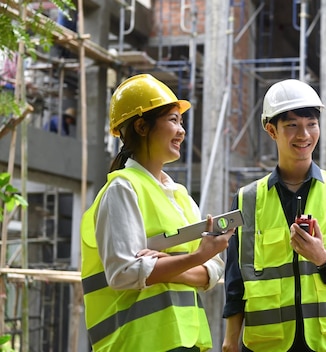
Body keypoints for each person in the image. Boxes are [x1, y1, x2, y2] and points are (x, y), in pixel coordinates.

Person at [80, 73, 232, 351]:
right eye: (173, 120)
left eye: (181, 121)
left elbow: (213, 271)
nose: (182, 131)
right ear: (141, 126)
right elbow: (124, 273)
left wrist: (169, 264)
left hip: (186, 342)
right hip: (136, 342)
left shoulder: (181, 195)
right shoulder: (122, 189)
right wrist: (195, 257)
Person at [222, 79, 326, 352]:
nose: (304, 135)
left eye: (311, 124)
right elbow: (236, 278)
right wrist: (231, 339)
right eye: (292, 125)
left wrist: (324, 259)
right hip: (266, 343)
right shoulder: (247, 199)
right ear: (271, 130)